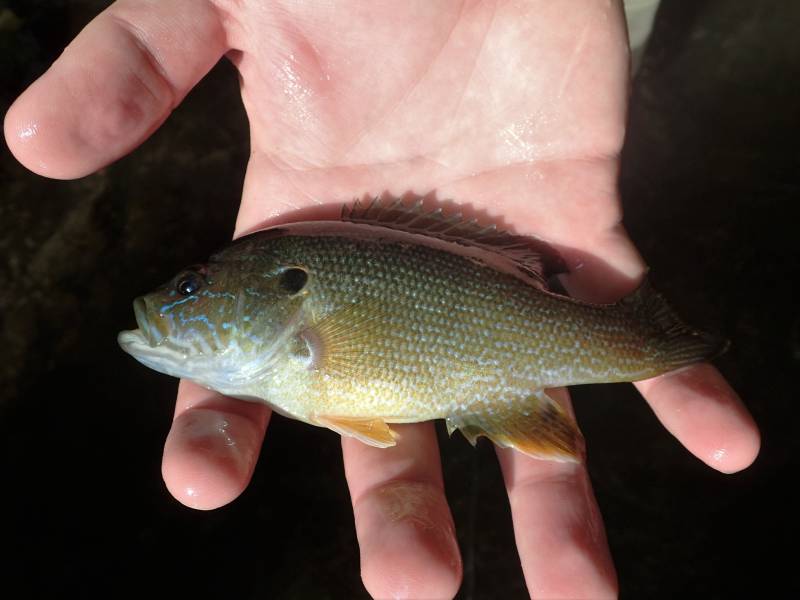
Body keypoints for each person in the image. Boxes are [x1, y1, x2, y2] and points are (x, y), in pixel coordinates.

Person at [4, 1, 759, 598]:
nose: (172, 303)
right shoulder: (282, 285)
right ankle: (658, 329)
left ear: (264, 295)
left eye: (193, 289)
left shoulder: (287, 288)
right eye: (186, 289)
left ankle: (652, 332)